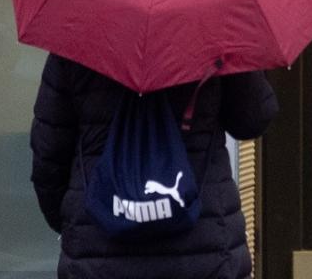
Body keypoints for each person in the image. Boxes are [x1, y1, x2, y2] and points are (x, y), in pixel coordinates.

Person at [28, 55, 278, 279]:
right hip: (206, 251)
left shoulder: (78, 40)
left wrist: (74, 224)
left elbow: (48, 155)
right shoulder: (213, 33)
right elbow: (254, 119)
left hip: (98, 253)